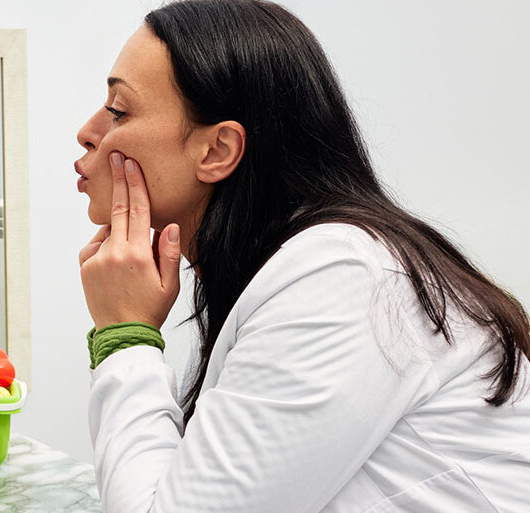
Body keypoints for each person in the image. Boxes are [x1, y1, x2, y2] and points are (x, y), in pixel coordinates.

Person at [75, 1, 530, 511]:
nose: (88, 132)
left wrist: (126, 336)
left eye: (119, 110)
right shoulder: (286, 270)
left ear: (218, 150)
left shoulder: (343, 278)